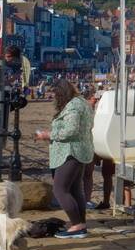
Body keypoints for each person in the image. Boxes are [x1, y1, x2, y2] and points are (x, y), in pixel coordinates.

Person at [35, 80, 94, 238]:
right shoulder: (82, 102)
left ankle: (77, 225)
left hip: (70, 152)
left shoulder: (73, 105)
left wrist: (48, 135)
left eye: (56, 95)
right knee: (75, 190)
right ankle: (80, 224)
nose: (55, 98)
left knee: (59, 189)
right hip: (81, 150)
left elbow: (71, 130)